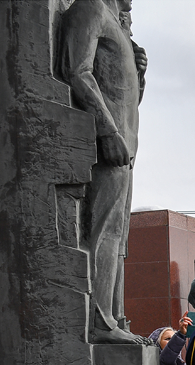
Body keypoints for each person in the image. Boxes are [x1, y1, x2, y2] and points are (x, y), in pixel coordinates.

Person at [59, 0, 148, 344]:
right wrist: (107, 131)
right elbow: (75, 71)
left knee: (117, 236)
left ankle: (114, 318)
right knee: (102, 231)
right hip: (106, 144)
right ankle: (99, 321)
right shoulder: (91, 9)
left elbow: (126, 97)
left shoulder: (119, 26)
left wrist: (140, 74)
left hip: (125, 149)